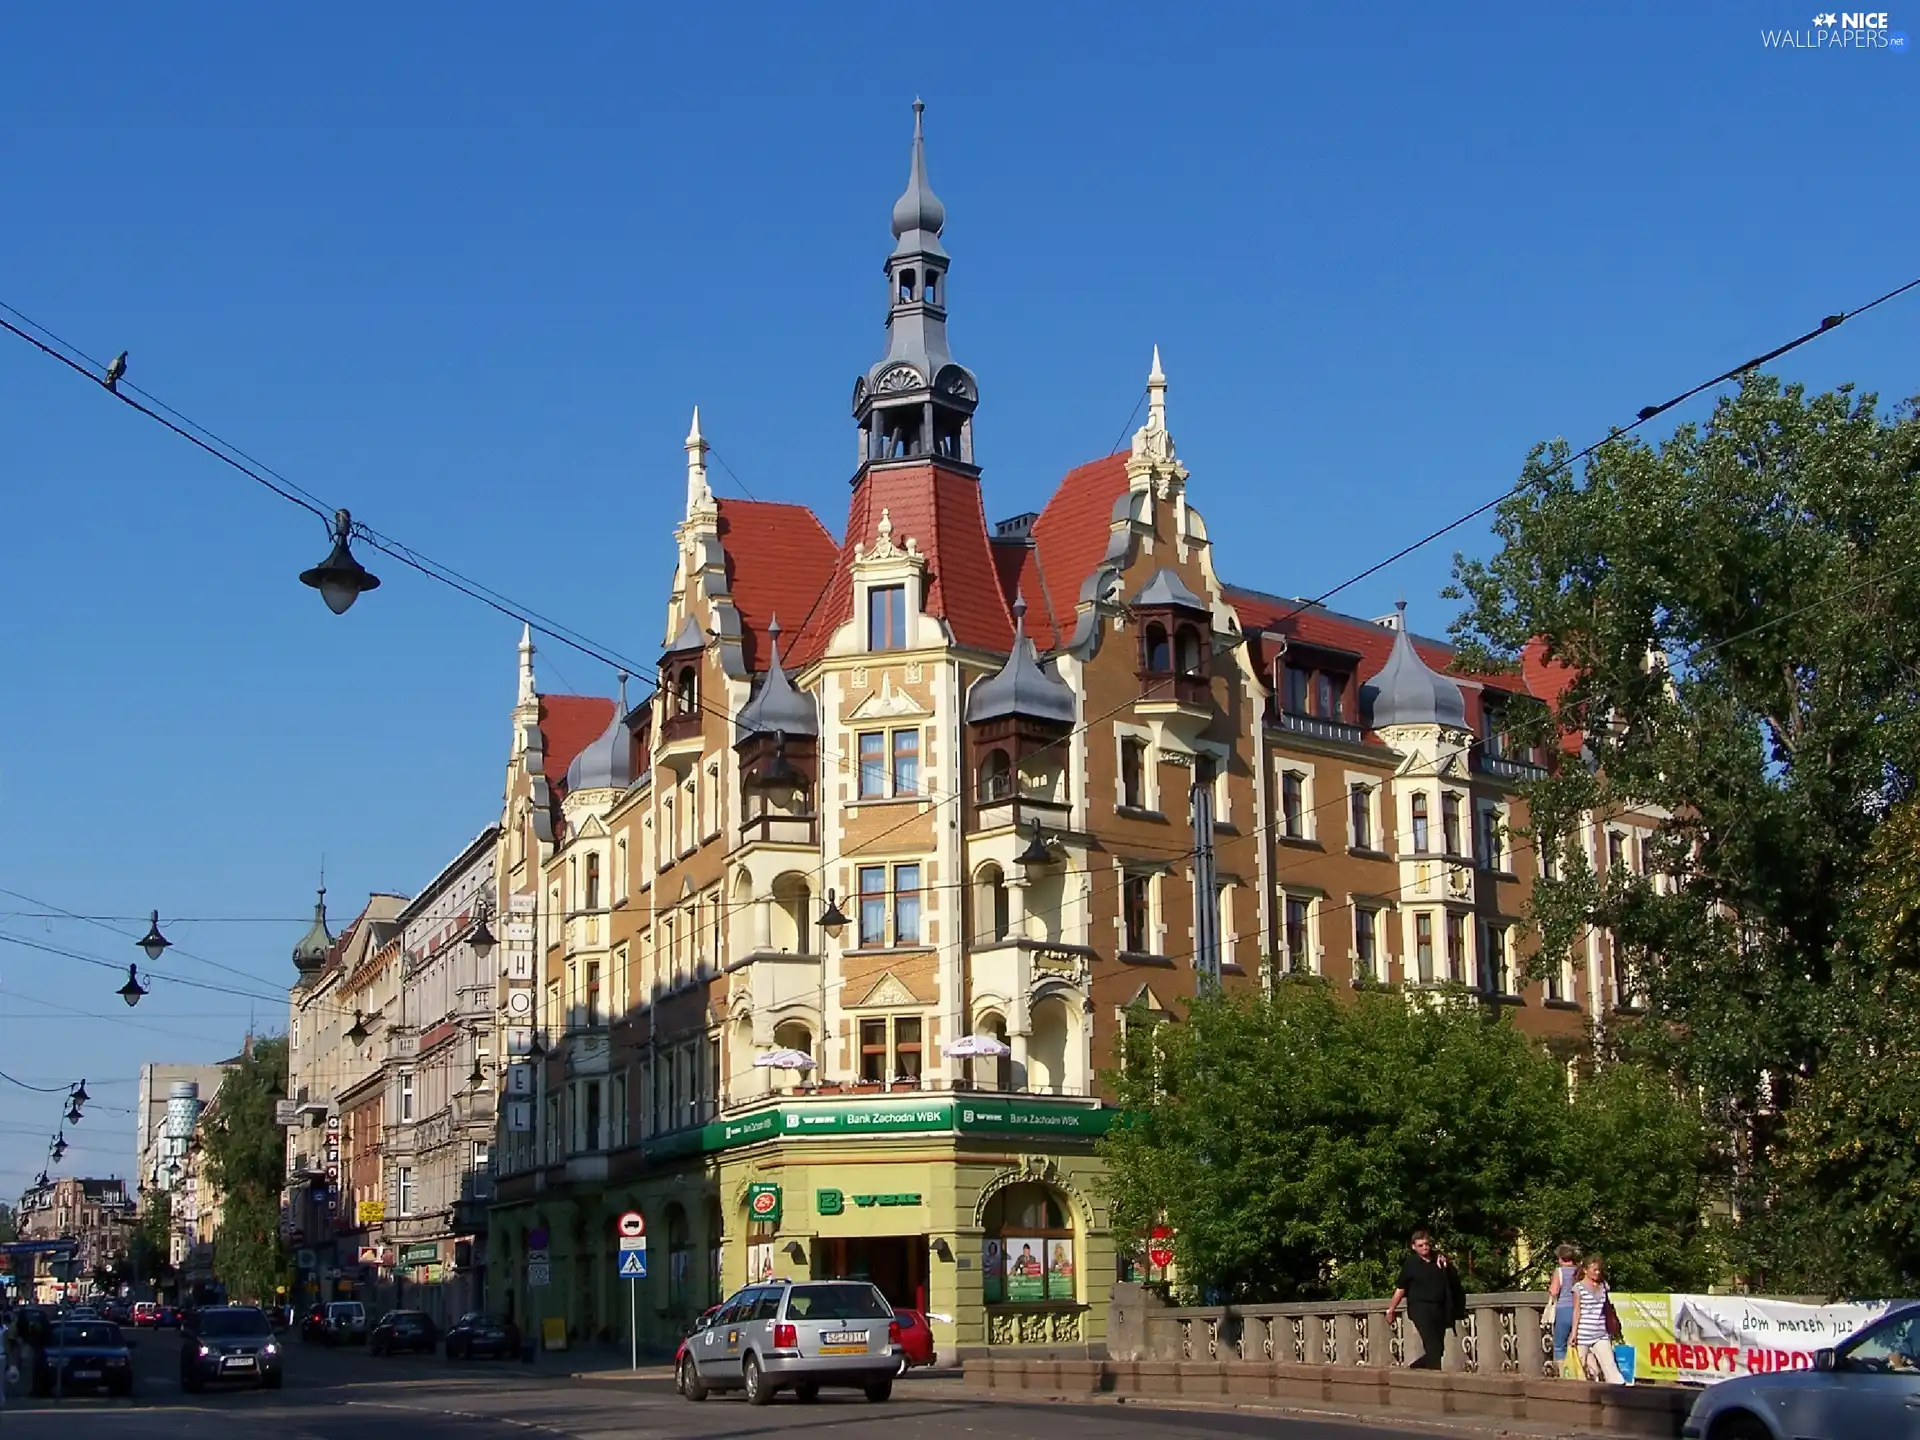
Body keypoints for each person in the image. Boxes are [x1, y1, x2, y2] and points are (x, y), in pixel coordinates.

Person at [1385, 1228, 1467, 1370]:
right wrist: (1391, 1309)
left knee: (1438, 1350)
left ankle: (1413, 1370)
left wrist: (1446, 1267)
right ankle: (1435, 1381)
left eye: (1427, 1244)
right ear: (1414, 1247)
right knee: (1433, 1348)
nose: (1425, 1248)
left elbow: (1454, 1282)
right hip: (1420, 1308)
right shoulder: (1411, 1264)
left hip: (1440, 1309)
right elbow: (1401, 1288)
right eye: (1421, 1245)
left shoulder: (1439, 1260)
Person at [1569, 1254, 1626, 1384]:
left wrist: (1611, 1326)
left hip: (1601, 1333)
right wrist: (1574, 1333)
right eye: (1594, 1269)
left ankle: (1621, 1393)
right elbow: (1577, 1311)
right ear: (1585, 1270)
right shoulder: (1578, 1288)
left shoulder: (1603, 1286)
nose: (1597, 1272)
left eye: (1599, 1269)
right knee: (1579, 1369)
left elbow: (1606, 1308)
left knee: (1610, 1366)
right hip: (1583, 1334)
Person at [1543, 1243, 1579, 1372]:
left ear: (1560, 1258)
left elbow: (1554, 1291)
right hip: (1578, 1309)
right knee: (1578, 1343)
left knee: (1559, 1345)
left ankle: (1565, 1374)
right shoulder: (1579, 1270)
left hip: (1563, 1309)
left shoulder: (1560, 1271)